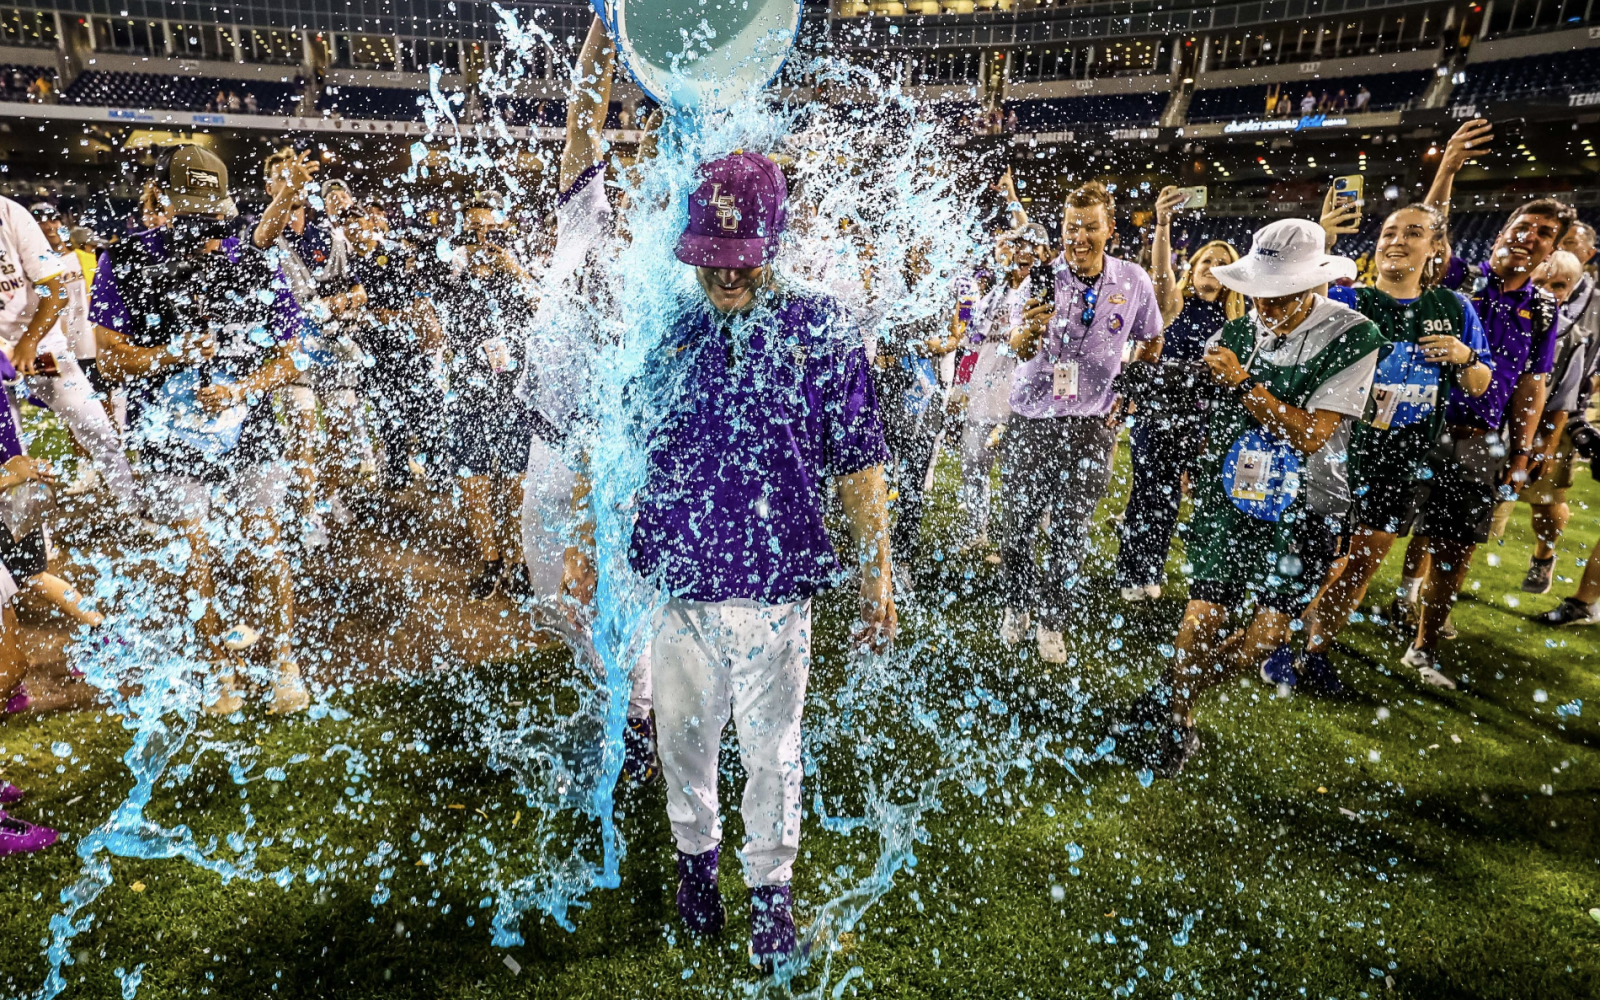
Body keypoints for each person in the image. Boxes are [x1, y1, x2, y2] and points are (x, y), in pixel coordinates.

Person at [1130, 218, 1385, 775]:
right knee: (1202, 614)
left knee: (1264, 640)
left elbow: (1311, 434)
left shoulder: (1353, 335)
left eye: (1280, 296)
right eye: (1258, 294)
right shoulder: (1234, 334)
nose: (1265, 308)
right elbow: (1206, 411)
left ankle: (1176, 686)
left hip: (1308, 505)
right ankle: (1178, 716)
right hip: (1231, 495)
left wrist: (1244, 383)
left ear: (1313, 286)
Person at [90, 143, 311, 715]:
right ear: (158, 198)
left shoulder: (254, 257)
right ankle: (220, 673)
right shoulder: (126, 260)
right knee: (193, 554)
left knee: (264, 543)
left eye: (205, 210)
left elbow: (292, 357)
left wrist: (240, 389)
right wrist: (171, 355)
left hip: (248, 425)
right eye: (188, 209)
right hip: (165, 431)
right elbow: (110, 362)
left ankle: (284, 664)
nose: (200, 223)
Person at [1291, 202, 1494, 693]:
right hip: (1335, 456)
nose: (1396, 241)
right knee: (1318, 561)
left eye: (1412, 233)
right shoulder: (1349, 300)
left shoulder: (1453, 308)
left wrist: (1465, 355)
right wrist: (1324, 244)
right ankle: (1279, 639)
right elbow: (1301, 325)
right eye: (1388, 232)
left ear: (1435, 248)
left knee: (1361, 563)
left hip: (1401, 463)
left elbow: (1481, 384)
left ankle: (1314, 651)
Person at [1000, 180, 1164, 664]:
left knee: (1071, 531)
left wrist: (1131, 388)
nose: (1079, 238)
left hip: (1091, 428)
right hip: (1031, 420)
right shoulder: (1040, 277)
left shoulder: (1133, 280)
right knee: (1017, 527)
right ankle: (1016, 604)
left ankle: (1053, 620)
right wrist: (1026, 335)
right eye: (1072, 228)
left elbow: (1152, 338)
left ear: (1109, 229)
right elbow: (1016, 341)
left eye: (1090, 228)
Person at [1116, 186, 1243, 601]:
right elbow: (1160, 275)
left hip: (1205, 419)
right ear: (1194, 264)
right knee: (1150, 489)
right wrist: (1163, 225)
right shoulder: (1174, 304)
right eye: (1207, 260)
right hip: (1158, 413)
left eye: (1223, 264)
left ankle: (1186, 577)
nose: (1212, 267)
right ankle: (1135, 572)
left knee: (1182, 499)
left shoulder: (1239, 318)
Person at [0, 197, 138, 514]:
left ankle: (132, 507)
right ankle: (29, 544)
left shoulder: (11, 214)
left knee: (96, 427)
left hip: (42, 347)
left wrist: (28, 342)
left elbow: (57, 290)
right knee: (9, 454)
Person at [442, 192, 539, 598]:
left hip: (511, 385)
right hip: (467, 386)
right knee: (475, 479)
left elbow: (542, 303)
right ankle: (490, 559)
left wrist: (511, 266)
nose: (483, 238)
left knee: (516, 479)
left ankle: (517, 561)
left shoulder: (515, 264)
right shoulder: (454, 263)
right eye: (475, 230)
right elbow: (438, 291)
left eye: (491, 230)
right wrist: (463, 261)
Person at [1488, 248, 1597, 594]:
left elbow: (1564, 397)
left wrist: (1546, 444)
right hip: (1492, 432)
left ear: (1573, 289)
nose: (1548, 292)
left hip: (1540, 433)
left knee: (1547, 504)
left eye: (1560, 286)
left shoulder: (1572, 338)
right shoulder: (1495, 315)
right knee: (1476, 522)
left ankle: (1543, 557)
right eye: (1541, 282)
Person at [952, 223, 1049, 555]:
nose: (1020, 254)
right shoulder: (991, 296)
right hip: (983, 394)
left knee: (1019, 475)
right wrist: (961, 389)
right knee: (972, 465)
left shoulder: (1043, 295)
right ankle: (976, 529)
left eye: (1029, 249)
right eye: (1015, 246)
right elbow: (972, 344)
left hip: (1021, 402)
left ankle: (1024, 535)